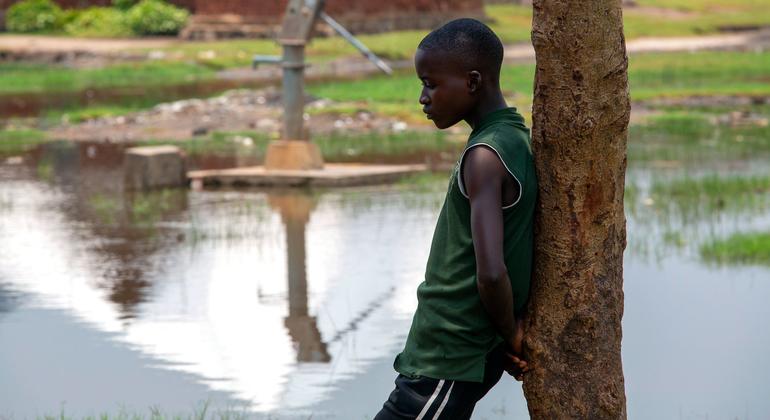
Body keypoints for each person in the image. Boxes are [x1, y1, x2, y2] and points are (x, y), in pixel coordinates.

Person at [374, 18, 536, 419]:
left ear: (473, 81)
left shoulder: (485, 156)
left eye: (430, 83)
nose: (423, 98)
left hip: (448, 355)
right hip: (453, 353)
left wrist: (511, 336)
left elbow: (492, 273)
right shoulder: (513, 137)